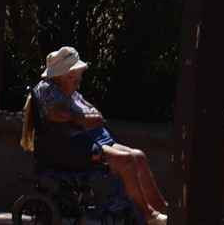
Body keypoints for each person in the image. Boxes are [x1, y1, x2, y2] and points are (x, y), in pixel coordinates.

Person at [20, 46, 168, 225]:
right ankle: (149, 214)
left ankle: (162, 208)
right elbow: (56, 114)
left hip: (91, 139)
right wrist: (82, 119)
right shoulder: (47, 88)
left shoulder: (71, 93)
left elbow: (96, 114)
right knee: (127, 162)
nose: (79, 78)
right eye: (76, 74)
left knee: (139, 156)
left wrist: (88, 118)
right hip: (73, 147)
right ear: (65, 74)